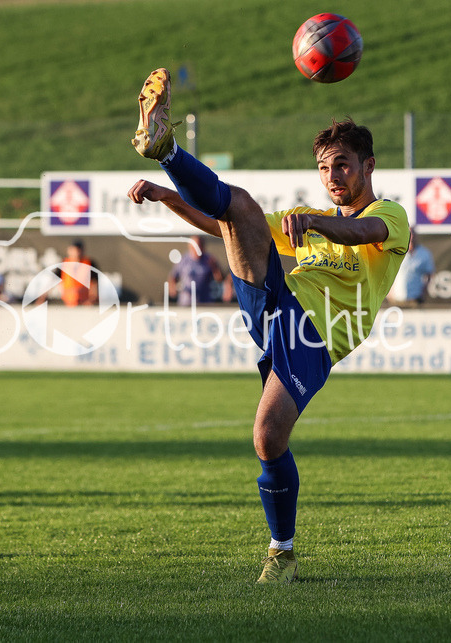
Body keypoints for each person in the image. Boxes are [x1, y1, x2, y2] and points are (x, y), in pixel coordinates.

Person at [127, 68, 408, 584]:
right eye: (324, 168)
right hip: (274, 303)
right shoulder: (307, 216)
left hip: (315, 338)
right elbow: (229, 226)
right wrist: (172, 198)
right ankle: (165, 150)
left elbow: (361, 229)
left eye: (342, 165)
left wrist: (317, 221)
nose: (332, 177)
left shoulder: (391, 215)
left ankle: (282, 551)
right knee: (242, 207)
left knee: (267, 437)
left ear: (368, 166)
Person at [168, 234, 230, 306]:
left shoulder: (209, 259)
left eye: (200, 246)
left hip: (205, 302)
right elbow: (172, 277)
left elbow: (219, 279)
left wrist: (215, 267)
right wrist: (172, 289)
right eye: (195, 246)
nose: (197, 249)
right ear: (190, 246)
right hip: (186, 302)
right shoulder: (183, 260)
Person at [387, 227, 435, 307]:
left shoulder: (424, 253)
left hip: (415, 299)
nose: (411, 237)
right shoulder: (395, 251)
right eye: (409, 234)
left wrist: (424, 292)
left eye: (413, 234)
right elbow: (387, 273)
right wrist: (388, 294)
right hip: (396, 298)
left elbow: (430, 274)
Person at [60, 239, 99, 306]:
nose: (76, 253)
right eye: (74, 250)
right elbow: (53, 281)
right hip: (69, 301)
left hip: (85, 301)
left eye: (78, 250)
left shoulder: (89, 263)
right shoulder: (63, 264)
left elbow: (94, 283)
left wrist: (92, 298)